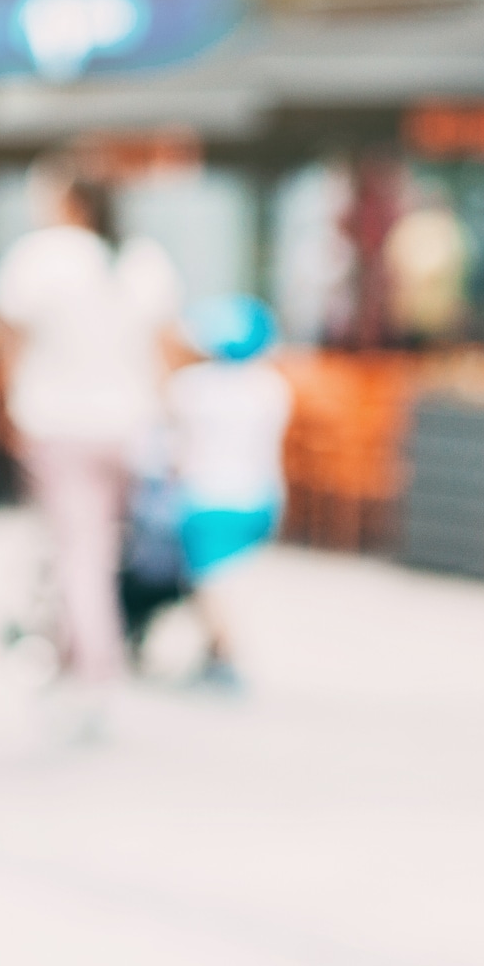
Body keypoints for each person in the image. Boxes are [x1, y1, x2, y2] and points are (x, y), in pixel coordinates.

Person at [0, 161, 180, 735]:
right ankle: (80, 659)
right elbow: (165, 348)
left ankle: (94, 670)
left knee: (78, 550)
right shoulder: (142, 261)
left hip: (57, 424)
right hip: (128, 426)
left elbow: (8, 344)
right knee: (96, 545)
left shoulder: (40, 258)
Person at [165, 293, 293, 687]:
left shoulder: (190, 387)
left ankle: (225, 654)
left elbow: (171, 447)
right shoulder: (271, 387)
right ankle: (214, 654)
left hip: (206, 500)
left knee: (208, 585)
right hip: (262, 498)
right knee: (226, 583)